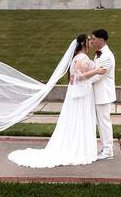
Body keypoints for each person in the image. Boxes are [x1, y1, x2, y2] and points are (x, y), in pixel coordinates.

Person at [7, 33, 106, 168]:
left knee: (79, 119)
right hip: (80, 95)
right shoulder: (81, 58)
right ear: (83, 43)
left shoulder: (80, 57)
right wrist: (96, 71)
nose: (91, 42)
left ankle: (81, 146)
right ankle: (78, 149)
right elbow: (75, 78)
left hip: (82, 94)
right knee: (79, 119)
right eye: (89, 40)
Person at [89, 28, 116, 159]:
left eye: (93, 38)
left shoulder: (107, 56)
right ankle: (104, 148)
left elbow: (98, 76)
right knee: (100, 122)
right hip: (98, 94)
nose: (91, 41)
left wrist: (82, 81)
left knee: (104, 122)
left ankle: (108, 150)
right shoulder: (99, 54)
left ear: (101, 40)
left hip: (103, 95)